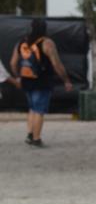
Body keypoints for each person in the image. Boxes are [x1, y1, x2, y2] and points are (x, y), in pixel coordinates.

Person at [9, 18, 73, 148]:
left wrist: (18, 77)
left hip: (26, 80)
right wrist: (66, 80)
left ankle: (30, 134)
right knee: (39, 110)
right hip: (42, 81)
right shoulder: (47, 43)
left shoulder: (21, 42)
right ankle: (36, 139)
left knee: (32, 108)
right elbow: (57, 64)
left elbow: (13, 63)